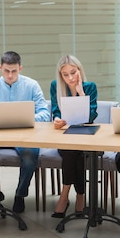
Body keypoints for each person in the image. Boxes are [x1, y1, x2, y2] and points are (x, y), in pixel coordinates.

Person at [0, 51, 51, 213]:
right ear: (0, 68)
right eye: (6, 71)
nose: (10, 75)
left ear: (20, 68)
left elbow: (45, 113)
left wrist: (26, 118)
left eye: (14, 71)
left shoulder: (31, 85)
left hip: (24, 136)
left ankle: (20, 195)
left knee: (30, 155)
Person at [50, 55, 98, 218]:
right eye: (65, 74)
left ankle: (65, 194)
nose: (70, 78)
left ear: (79, 70)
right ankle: (80, 195)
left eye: (73, 72)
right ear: (60, 75)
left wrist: (80, 92)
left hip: (85, 134)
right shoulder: (55, 86)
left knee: (75, 152)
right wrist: (56, 119)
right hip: (65, 135)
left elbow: (91, 117)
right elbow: (55, 111)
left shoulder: (90, 87)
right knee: (72, 151)